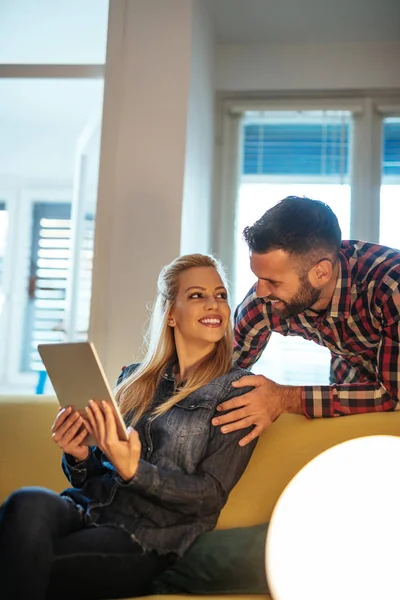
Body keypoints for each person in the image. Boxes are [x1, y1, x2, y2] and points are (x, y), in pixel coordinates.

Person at [0, 254, 257, 600]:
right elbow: (92, 475)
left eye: (221, 295)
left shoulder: (239, 390)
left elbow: (209, 497)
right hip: (89, 510)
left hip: (148, 539)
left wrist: (135, 470)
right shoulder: (134, 379)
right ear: (169, 314)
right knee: (25, 503)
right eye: (197, 295)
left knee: (23, 559)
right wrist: (78, 456)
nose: (214, 304)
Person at [212, 196, 400, 446]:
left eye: (274, 281)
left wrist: (284, 398)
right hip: (351, 384)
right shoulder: (265, 304)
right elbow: (222, 372)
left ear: (321, 273)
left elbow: (393, 395)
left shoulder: (391, 289)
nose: (260, 291)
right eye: (259, 277)